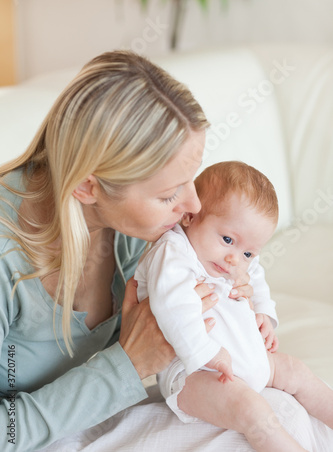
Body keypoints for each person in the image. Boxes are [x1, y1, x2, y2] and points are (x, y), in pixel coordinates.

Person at [0, 51, 255, 452]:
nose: (194, 206)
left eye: (192, 179)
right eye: (169, 194)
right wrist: (128, 365)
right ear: (87, 187)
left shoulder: (143, 231)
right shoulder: (6, 259)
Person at [135, 161, 333, 452]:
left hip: (247, 356)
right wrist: (206, 354)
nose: (235, 259)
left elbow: (256, 274)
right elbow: (171, 308)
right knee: (253, 412)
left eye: (248, 252)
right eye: (227, 239)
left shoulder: (234, 258)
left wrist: (264, 312)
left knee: (296, 371)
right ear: (191, 216)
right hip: (194, 372)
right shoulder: (173, 252)